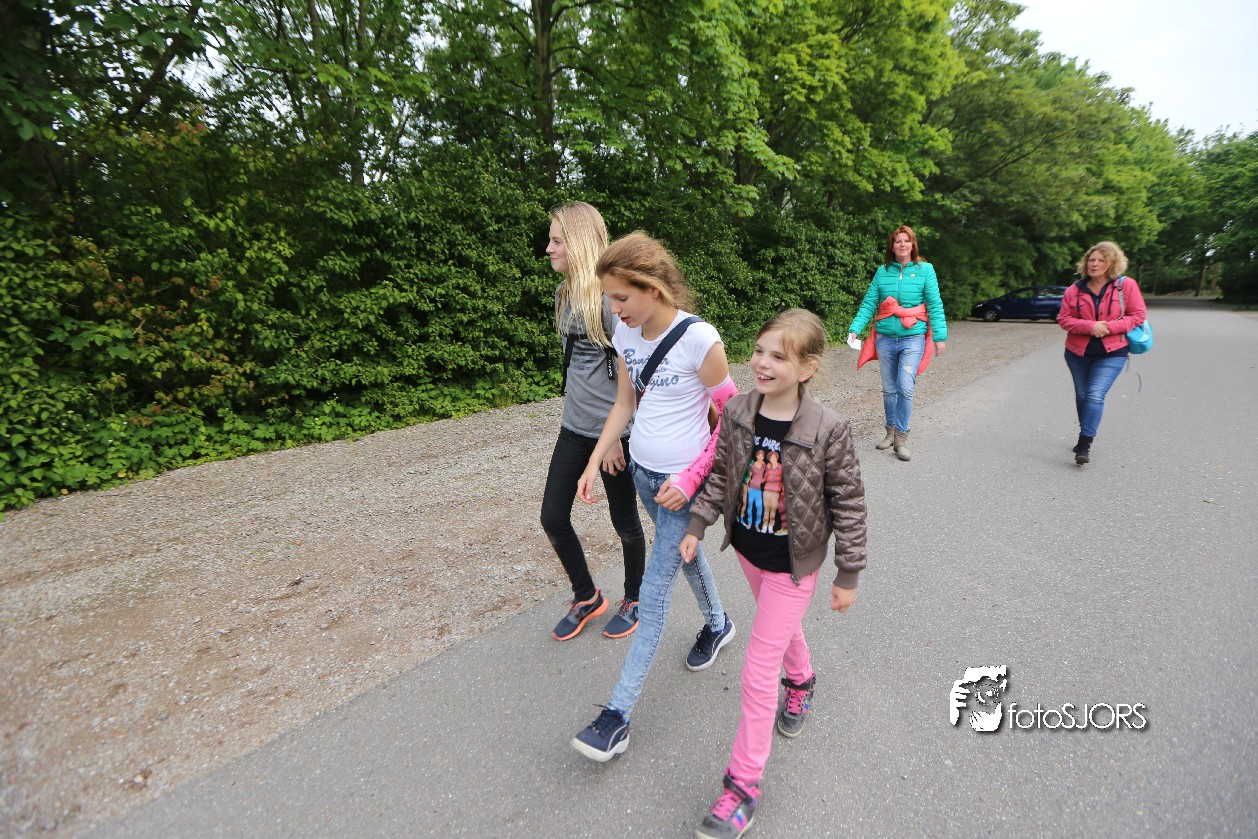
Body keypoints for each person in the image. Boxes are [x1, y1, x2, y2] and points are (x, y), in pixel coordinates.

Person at [680, 309, 867, 839]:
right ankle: (803, 678)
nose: (762, 362)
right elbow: (722, 474)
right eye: (760, 350)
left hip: (794, 565)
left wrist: (848, 573)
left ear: (807, 367)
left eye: (778, 356)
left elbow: (849, 504)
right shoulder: (738, 410)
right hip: (748, 550)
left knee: (757, 669)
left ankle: (743, 787)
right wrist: (698, 524)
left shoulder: (828, 428)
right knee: (778, 627)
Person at [570, 232, 738, 762]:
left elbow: (734, 420)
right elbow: (624, 403)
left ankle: (615, 717)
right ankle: (719, 624)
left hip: (681, 487)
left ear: (653, 287)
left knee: (655, 591)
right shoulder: (625, 334)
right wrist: (596, 459)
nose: (614, 308)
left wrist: (690, 479)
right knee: (684, 556)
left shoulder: (699, 340)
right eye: (610, 298)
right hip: (643, 475)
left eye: (621, 297)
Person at [541, 202, 648, 641]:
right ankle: (587, 596)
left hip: (613, 435)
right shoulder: (564, 294)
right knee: (552, 517)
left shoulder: (609, 303)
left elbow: (633, 374)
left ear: (580, 243)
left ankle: (636, 598)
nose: (549, 249)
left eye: (557, 241)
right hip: (574, 428)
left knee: (624, 522)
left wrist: (618, 437)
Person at [847, 225, 947, 461]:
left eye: (906, 240)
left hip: (913, 337)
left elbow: (934, 304)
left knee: (905, 386)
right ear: (892, 246)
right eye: (898, 241)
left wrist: (940, 337)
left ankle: (901, 438)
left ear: (913, 245)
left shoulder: (925, 270)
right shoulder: (882, 272)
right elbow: (869, 302)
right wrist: (855, 329)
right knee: (889, 388)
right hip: (885, 338)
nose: (902, 244)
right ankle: (890, 432)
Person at [1056, 241, 1146, 465]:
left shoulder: (1125, 286)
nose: (1094, 264)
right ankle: (1085, 430)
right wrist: (1090, 327)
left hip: (1113, 351)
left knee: (1095, 394)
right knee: (1082, 395)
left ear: (1111, 263)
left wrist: (1109, 327)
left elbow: (1137, 315)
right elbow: (1063, 319)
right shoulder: (1074, 290)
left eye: (1101, 260)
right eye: (1091, 260)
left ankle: (1084, 443)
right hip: (1077, 353)